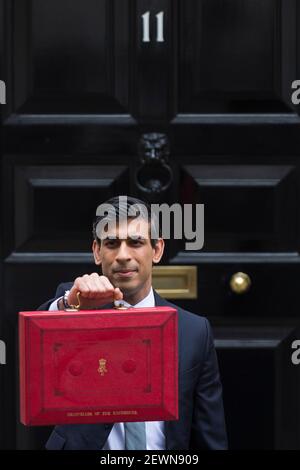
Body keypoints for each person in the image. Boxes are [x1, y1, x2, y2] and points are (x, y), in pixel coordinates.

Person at [38, 195, 227, 450]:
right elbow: (32, 344)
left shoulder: (194, 330)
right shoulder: (73, 306)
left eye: (136, 242)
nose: (123, 255)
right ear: (97, 251)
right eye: (112, 243)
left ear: (157, 250)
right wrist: (69, 305)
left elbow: (209, 433)